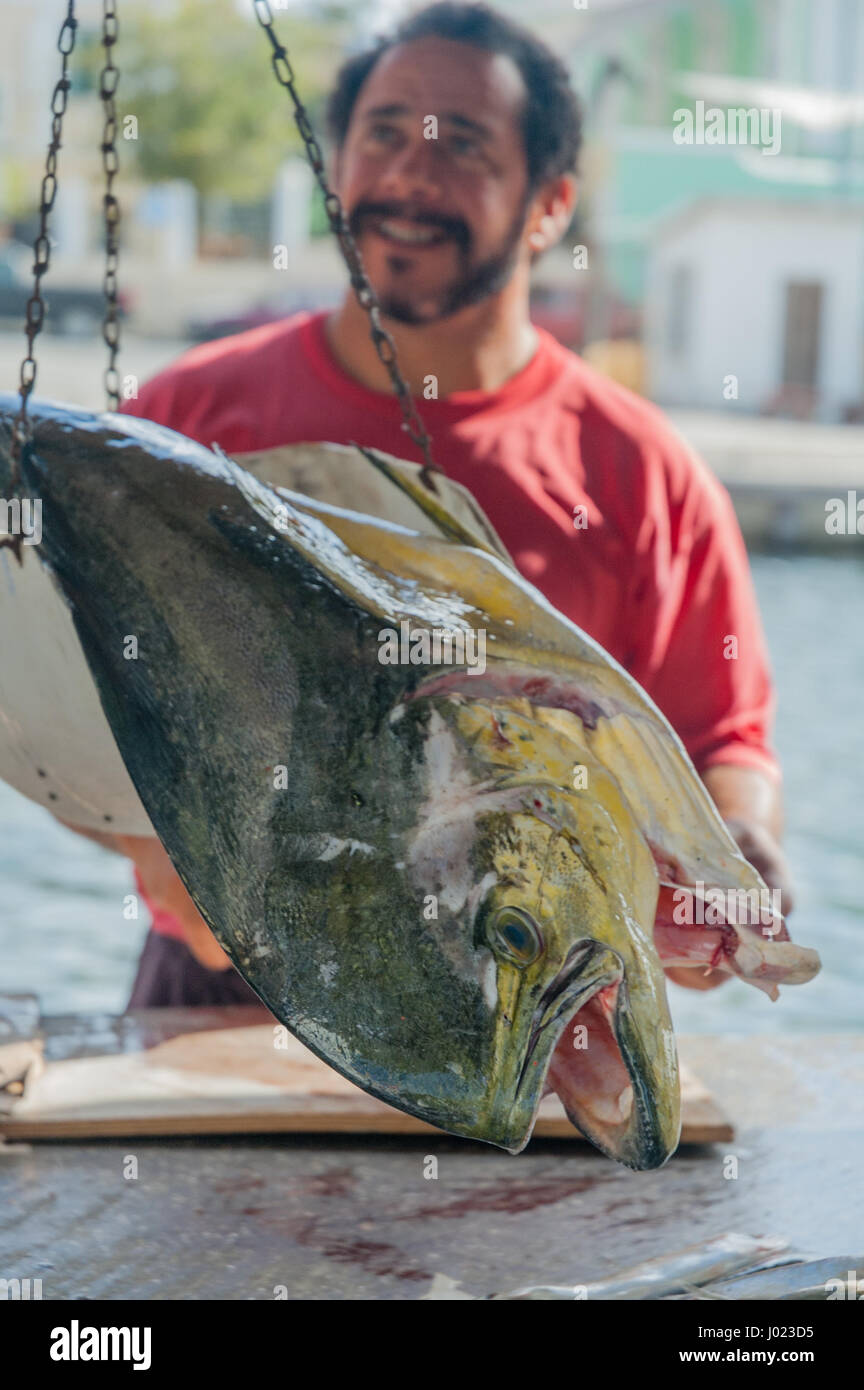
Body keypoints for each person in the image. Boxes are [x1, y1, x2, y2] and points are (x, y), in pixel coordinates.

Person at [102, 1, 790, 1006]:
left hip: (530, 1019)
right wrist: (137, 826)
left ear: (551, 205)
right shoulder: (182, 419)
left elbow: (720, 738)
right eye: (382, 135)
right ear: (336, 166)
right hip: (221, 1004)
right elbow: (66, 697)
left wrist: (735, 845)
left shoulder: (645, 476)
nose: (410, 174)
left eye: (462, 145)